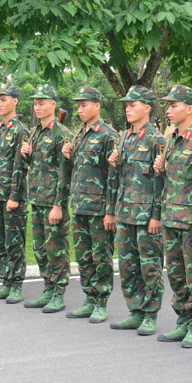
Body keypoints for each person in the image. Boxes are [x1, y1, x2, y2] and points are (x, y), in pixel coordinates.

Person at [154, 86, 192, 348]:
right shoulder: (171, 141)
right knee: (176, 275)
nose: (169, 110)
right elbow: (170, 182)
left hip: (191, 222)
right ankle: (182, 320)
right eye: (168, 106)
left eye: (174, 105)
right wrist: (161, 169)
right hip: (171, 218)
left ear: (189, 109)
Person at [108, 86, 165, 335]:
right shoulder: (125, 137)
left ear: (147, 108)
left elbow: (161, 181)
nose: (127, 108)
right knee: (128, 266)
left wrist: (156, 215)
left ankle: (150, 313)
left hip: (145, 216)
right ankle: (135, 310)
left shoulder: (156, 139)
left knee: (149, 266)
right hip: (125, 211)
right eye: (126, 105)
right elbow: (122, 176)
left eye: (133, 104)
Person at [62, 86, 117, 323]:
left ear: (97, 106)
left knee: (101, 256)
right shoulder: (79, 134)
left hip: (99, 207)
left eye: (84, 104)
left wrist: (110, 210)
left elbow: (113, 175)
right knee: (84, 256)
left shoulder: (108, 135)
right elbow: (81, 167)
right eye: (79, 105)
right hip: (81, 204)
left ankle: (101, 301)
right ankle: (89, 298)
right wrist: (69, 155)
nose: (80, 109)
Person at [21, 84, 72, 313]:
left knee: (56, 248)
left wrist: (58, 205)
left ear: (53, 104)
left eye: (42, 102)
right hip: (37, 198)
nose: (37, 107)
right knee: (40, 248)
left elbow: (64, 172)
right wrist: (27, 156)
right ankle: (48, 288)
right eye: (35, 103)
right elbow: (36, 166)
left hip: (53, 201)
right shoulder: (34, 132)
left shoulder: (62, 134)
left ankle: (59, 293)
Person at [0, 84, 30, 304]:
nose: (0, 104)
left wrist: (14, 196)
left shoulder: (21, 130)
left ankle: (17, 285)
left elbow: (20, 167)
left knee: (14, 242)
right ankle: (5, 281)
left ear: (15, 101)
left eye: (4, 99)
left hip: (13, 196)